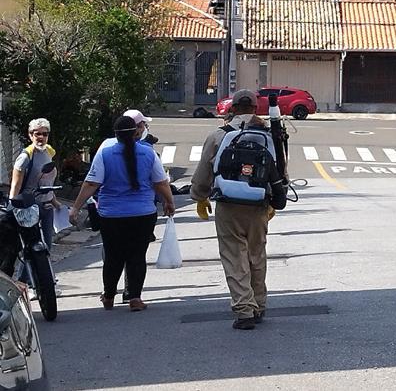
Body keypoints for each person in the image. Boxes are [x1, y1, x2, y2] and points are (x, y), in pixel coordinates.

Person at [191, 89, 279, 331]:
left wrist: (199, 196)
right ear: (255, 107)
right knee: (256, 254)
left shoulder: (219, 135)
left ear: (232, 109)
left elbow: (203, 173)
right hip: (259, 203)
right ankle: (259, 305)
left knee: (234, 256)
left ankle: (244, 310)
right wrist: (273, 200)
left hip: (228, 204)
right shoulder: (270, 134)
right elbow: (280, 169)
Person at [68, 116, 174, 311]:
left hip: (111, 214)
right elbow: (160, 182)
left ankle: (108, 296)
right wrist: (169, 202)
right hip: (143, 213)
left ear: (115, 135)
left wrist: (75, 207)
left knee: (113, 256)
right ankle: (134, 297)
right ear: (136, 132)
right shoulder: (149, 154)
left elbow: (92, 183)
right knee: (137, 255)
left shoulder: (104, 154)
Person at [10, 119, 61, 266]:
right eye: (37, 134)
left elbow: (47, 182)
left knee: (47, 247)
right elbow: (15, 183)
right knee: (32, 248)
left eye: (44, 134)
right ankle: (26, 282)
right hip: (30, 206)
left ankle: (44, 283)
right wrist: (14, 205)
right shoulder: (26, 156)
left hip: (47, 206)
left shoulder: (49, 152)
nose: (41, 137)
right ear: (30, 135)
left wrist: (56, 203)